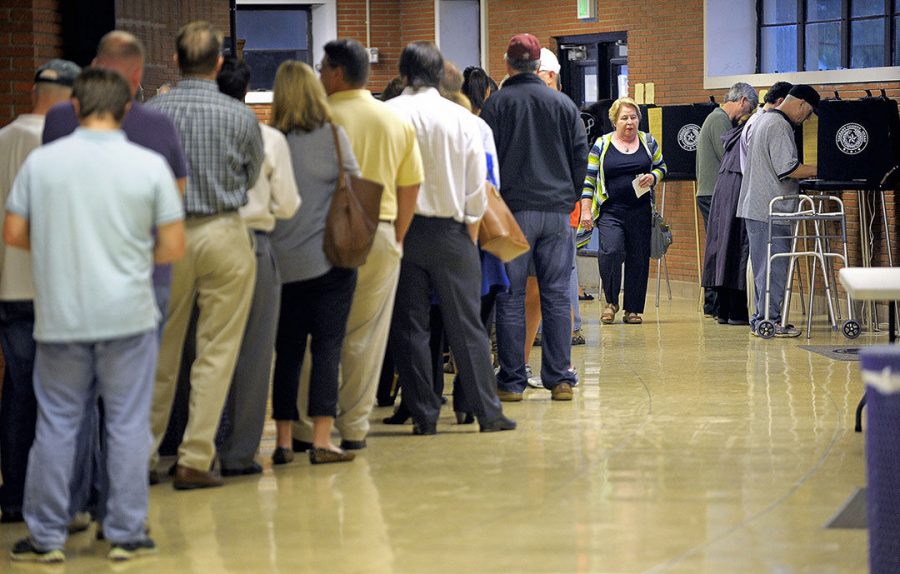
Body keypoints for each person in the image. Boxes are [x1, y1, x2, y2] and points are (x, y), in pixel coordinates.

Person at [5, 67, 184, 563]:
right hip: (128, 314)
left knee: (58, 424)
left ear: (76, 108)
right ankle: (125, 533)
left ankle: (45, 537)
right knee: (127, 425)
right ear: (127, 110)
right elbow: (172, 246)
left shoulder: (43, 164)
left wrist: (58, 252)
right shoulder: (148, 166)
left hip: (61, 315)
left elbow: (14, 233)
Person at [41, 30, 189, 529]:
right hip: (144, 281)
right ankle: (124, 521)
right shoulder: (160, 128)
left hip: (71, 283)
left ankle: (66, 514)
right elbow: (176, 209)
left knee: (67, 412)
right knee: (128, 410)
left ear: (92, 68)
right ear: (138, 75)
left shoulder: (58, 120)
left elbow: (37, 214)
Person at [289, 38, 423, 452]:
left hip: (318, 236)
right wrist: (397, 235)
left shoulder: (314, 118)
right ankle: (354, 428)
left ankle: (306, 427)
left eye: (321, 69)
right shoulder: (393, 120)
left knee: (314, 334)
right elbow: (410, 185)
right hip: (378, 234)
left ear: (335, 73)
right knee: (365, 337)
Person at [147, 20, 262, 489]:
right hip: (224, 230)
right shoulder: (241, 115)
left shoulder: (152, 112)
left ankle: (140, 455)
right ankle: (195, 457)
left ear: (175, 60)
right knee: (216, 351)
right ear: (219, 63)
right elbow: (252, 176)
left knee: (158, 349)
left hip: (166, 235)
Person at [386, 41, 516, 435]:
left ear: (404, 74)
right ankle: (487, 413)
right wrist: (470, 229)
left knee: (410, 327)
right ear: (439, 74)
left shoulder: (387, 114)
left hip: (402, 231)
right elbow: (477, 186)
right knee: (468, 326)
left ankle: (424, 415)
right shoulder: (464, 120)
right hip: (454, 230)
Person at [481, 33, 588, 402]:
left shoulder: (496, 106)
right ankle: (559, 379)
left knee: (510, 297)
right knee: (556, 295)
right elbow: (580, 159)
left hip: (511, 213)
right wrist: (567, 198)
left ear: (509, 64)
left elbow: (487, 160)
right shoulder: (563, 105)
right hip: (557, 214)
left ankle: (512, 382)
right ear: (538, 66)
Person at [0, 58, 80, 526]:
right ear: (70, 98)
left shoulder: (3, 137)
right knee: (46, 397)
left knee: (16, 389)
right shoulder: (55, 147)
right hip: (42, 288)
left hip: (6, 285)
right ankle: (42, 495)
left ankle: (12, 492)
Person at [268, 61, 359, 465]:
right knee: (327, 348)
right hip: (330, 259)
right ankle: (322, 440)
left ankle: (284, 441)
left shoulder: (270, 141)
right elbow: (354, 186)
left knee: (286, 351)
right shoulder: (335, 138)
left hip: (279, 262)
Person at [214, 57, 300, 475]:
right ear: (247, 90)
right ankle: (239, 453)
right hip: (254, 244)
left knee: (204, 349)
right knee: (254, 353)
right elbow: (286, 204)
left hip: (203, 238)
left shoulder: (186, 128)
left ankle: (198, 445)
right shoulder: (268, 138)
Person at [703, 81, 794, 327]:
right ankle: (736, 312)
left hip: (727, 187)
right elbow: (751, 162)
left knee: (726, 249)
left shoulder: (751, 122)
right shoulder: (763, 122)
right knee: (738, 250)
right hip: (738, 188)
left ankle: (726, 311)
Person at [737, 84, 820, 338]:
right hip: (771, 209)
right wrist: (825, 167)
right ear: (803, 104)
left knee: (764, 268)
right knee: (775, 269)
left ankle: (761, 319)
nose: (805, 120)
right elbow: (788, 169)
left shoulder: (762, 120)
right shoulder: (779, 126)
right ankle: (770, 321)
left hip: (756, 206)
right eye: (808, 114)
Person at [580, 97, 667, 325]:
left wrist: (654, 176)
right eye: (624, 118)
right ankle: (611, 302)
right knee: (611, 251)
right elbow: (589, 180)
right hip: (611, 210)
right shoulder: (602, 144)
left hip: (640, 211)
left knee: (638, 259)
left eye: (633, 117)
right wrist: (586, 210)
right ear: (614, 121)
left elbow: (662, 166)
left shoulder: (648, 142)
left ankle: (632, 309)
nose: (629, 122)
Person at [696, 82, 758, 318]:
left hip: (710, 190)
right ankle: (714, 305)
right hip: (715, 192)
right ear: (742, 101)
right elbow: (731, 158)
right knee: (720, 249)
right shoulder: (720, 120)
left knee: (716, 248)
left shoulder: (715, 118)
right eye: (749, 108)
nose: (748, 114)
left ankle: (714, 306)